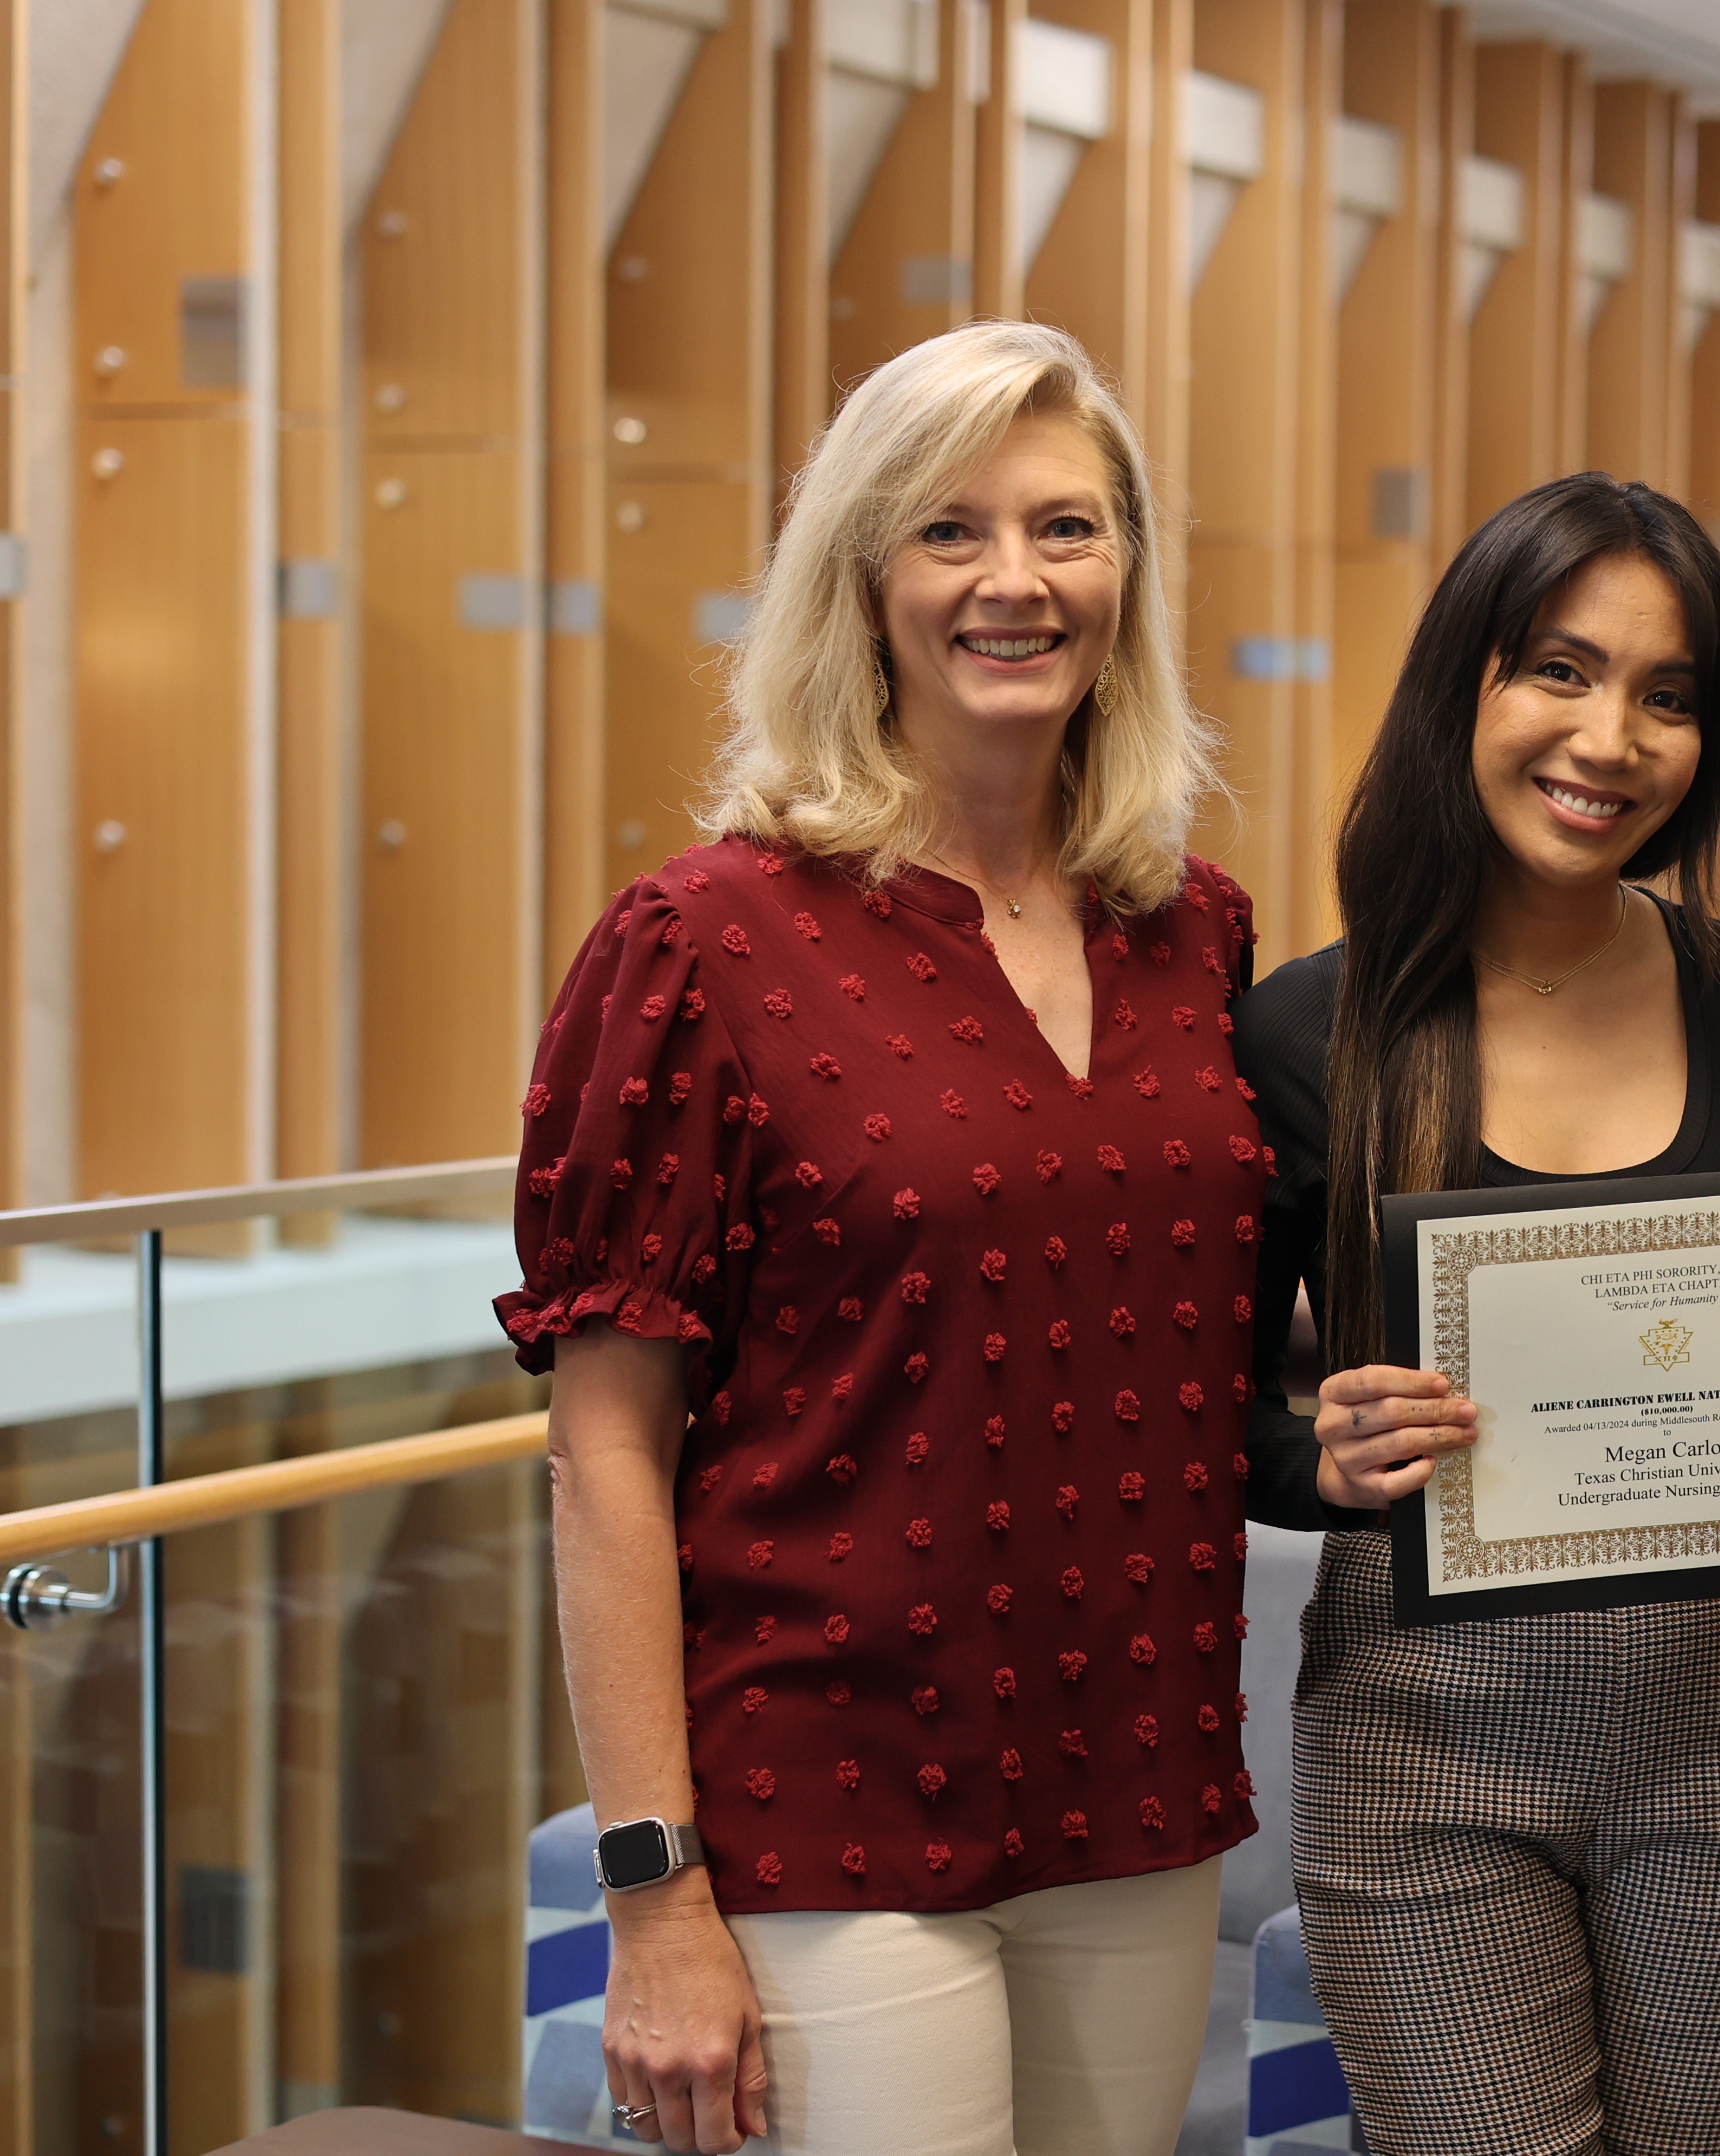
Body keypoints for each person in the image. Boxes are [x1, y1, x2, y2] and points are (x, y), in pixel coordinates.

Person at [499, 320, 1264, 2156]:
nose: (1017, 582)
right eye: (950, 530)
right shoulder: (705, 945)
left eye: (1067, 529)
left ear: (1130, 573)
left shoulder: (1197, 931)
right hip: (827, 1809)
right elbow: (606, 1451)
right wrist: (653, 1893)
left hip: (1139, 1791)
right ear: (863, 577)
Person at [1238, 473, 1720, 2154]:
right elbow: (1213, 1429)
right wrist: (1326, 1464)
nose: (1612, 739)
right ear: (1466, 689)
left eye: (1669, 696)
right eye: (1559, 671)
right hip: (1427, 1755)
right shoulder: (1311, 1031)